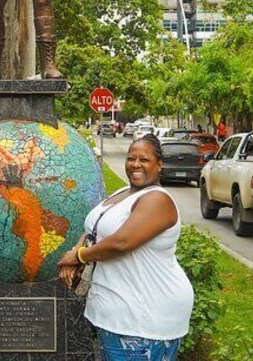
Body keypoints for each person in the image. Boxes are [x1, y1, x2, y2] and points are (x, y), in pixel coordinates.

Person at [58, 134, 194, 360]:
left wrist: (80, 256)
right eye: (131, 158)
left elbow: (122, 242)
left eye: (145, 160)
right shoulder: (123, 193)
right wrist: (75, 251)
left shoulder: (157, 200)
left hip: (144, 318)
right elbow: (96, 226)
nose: (136, 165)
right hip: (115, 312)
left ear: (160, 164)